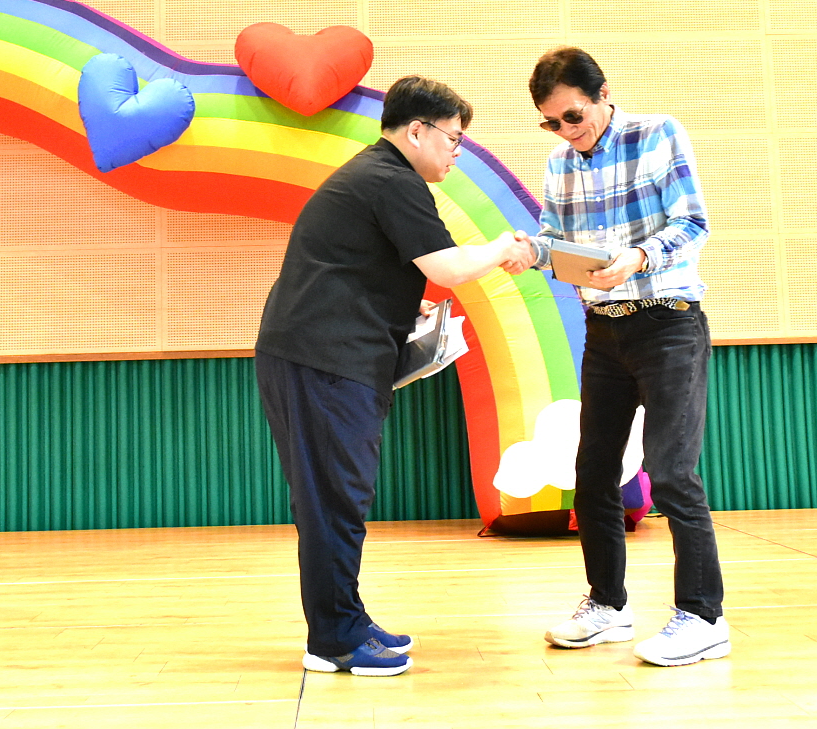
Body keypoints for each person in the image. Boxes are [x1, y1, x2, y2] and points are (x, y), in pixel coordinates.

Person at [255, 75, 536, 676]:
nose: (457, 152)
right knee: (335, 498)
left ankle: (345, 620)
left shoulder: (377, 176)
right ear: (416, 131)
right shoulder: (392, 180)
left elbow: (362, 268)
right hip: (324, 360)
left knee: (340, 496)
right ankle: (333, 640)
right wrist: (505, 247)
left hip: (324, 356)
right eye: (453, 139)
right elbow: (450, 267)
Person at [519, 46, 729, 667]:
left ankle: (703, 616)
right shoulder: (559, 163)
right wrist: (528, 251)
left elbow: (693, 223)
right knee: (592, 473)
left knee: (671, 472)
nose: (565, 131)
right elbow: (553, 240)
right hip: (604, 330)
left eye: (573, 116)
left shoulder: (658, 134)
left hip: (669, 324)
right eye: (551, 122)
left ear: (603, 95)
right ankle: (607, 604)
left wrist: (637, 258)